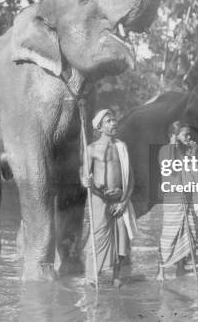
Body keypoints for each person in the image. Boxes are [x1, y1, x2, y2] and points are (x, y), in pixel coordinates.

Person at [82, 109, 137, 287]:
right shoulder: (90, 149)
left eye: (114, 120)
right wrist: (86, 182)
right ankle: (92, 277)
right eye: (108, 121)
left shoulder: (122, 147)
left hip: (119, 199)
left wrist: (124, 202)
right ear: (99, 126)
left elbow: (131, 178)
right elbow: (84, 176)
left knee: (121, 238)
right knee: (96, 238)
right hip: (99, 199)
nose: (114, 123)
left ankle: (116, 276)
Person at [155, 121, 198, 281]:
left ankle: (180, 268)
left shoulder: (186, 153)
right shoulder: (165, 150)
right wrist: (172, 144)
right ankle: (161, 271)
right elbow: (168, 168)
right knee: (169, 236)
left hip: (186, 198)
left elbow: (194, 173)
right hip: (172, 199)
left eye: (189, 134)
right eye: (185, 134)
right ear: (174, 135)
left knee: (188, 235)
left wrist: (192, 153)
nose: (189, 137)